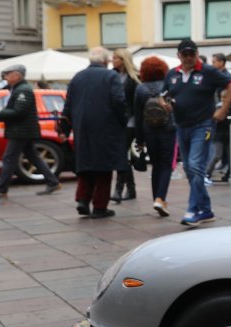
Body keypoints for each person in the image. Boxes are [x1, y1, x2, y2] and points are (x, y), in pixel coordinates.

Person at [165, 37, 231, 226]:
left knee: (195, 165)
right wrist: (165, 104)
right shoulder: (172, 74)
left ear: (197, 54)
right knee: (189, 168)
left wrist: (223, 109)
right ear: (179, 55)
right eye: (185, 54)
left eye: (192, 54)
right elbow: (164, 95)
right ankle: (205, 210)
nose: (188, 57)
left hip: (203, 124)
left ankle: (193, 209)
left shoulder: (208, 71)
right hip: (181, 125)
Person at [63, 48, 128, 218]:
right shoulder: (111, 76)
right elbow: (118, 101)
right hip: (106, 127)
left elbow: (67, 105)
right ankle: (100, 206)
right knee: (104, 167)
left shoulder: (77, 77)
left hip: (81, 127)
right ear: (105, 61)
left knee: (85, 165)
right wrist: (123, 120)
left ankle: (82, 200)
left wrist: (66, 129)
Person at [0, 63, 61, 199]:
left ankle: (1, 189)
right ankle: (53, 182)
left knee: (9, 158)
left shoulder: (23, 90)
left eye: (8, 74)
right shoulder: (19, 88)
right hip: (23, 129)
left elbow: (19, 112)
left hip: (21, 130)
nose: (5, 77)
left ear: (17, 75)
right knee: (32, 156)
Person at [133, 56, 177, 217]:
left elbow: (138, 116)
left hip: (149, 130)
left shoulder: (140, 89)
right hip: (168, 129)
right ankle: (160, 198)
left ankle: (156, 199)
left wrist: (139, 140)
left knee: (156, 165)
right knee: (167, 165)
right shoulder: (168, 85)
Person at [109, 50, 138, 203]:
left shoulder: (134, 77)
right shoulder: (111, 75)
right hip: (116, 121)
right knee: (122, 155)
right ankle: (131, 189)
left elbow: (137, 101)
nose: (112, 60)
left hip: (130, 121)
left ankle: (118, 190)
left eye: (115, 58)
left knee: (121, 154)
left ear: (123, 59)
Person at [207, 54, 231, 182]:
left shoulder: (226, 77)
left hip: (222, 116)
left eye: (214, 62)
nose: (212, 64)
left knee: (220, 151)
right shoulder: (219, 75)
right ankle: (228, 173)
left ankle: (207, 174)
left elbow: (228, 94)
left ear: (221, 62)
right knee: (225, 150)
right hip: (221, 116)